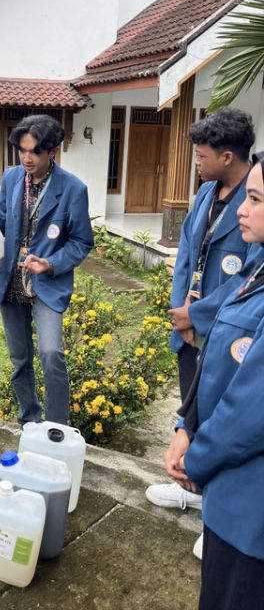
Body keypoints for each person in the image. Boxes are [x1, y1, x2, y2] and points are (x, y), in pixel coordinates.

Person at [146, 108, 255, 549]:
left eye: (202, 154)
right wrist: (180, 311)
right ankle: (190, 489)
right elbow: (187, 256)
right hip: (189, 328)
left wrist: (201, 314)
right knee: (193, 409)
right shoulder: (205, 193)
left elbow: (248, 276)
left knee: (222, 418)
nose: (195, 160)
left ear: (228, 156)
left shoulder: (254, 202)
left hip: (227, 332)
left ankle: (217, 515)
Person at [164, 152, 264, 610]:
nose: (244, 207)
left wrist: (195, 460)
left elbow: (249, 411)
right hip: (227, 500)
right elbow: (220, 360)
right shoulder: (259, 263)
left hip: (251, 516)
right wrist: (186, 424)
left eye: (257, 200)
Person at [0, 114, 93, 426]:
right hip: (11, 280)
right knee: (19, 359)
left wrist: (52, 264)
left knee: (51, 353)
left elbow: (82, 241)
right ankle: (29, 419)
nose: (27, 158)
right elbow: (3, 219)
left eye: (35, 152)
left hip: (47, 283)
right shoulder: (11, 177)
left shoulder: (73, 189)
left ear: (53, 150)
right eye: (22, 150)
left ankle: (56, 428)